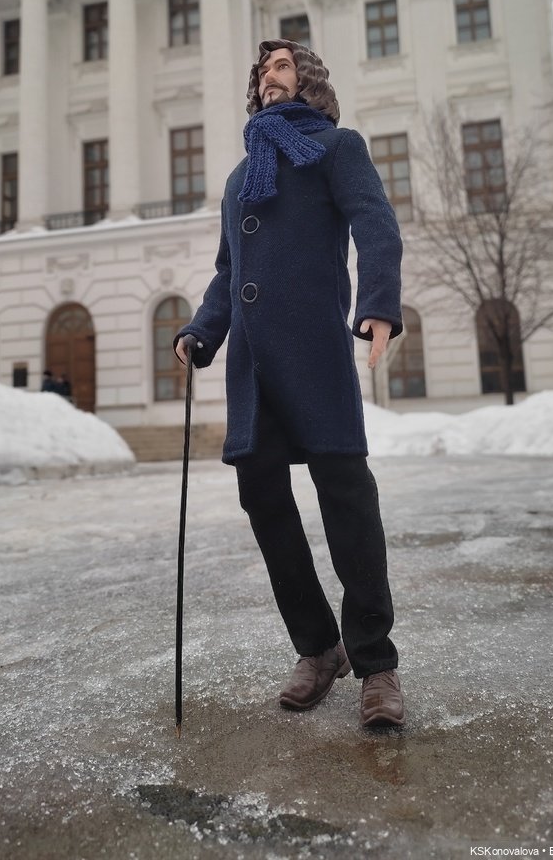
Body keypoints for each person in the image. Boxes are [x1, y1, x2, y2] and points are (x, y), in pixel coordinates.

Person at [174, 39, 405, 728]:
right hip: (252, 364)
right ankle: (317, 647)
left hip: (314, 354)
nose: (268, 76)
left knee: (346, 498)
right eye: (261, 70)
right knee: (263, 500)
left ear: (309, 78)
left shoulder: (336, 148)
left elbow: (376, 225)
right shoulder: (241, 175)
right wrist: (201, 330)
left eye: (281, 65)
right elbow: (227, 269)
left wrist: (379, 306)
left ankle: (377, 663)